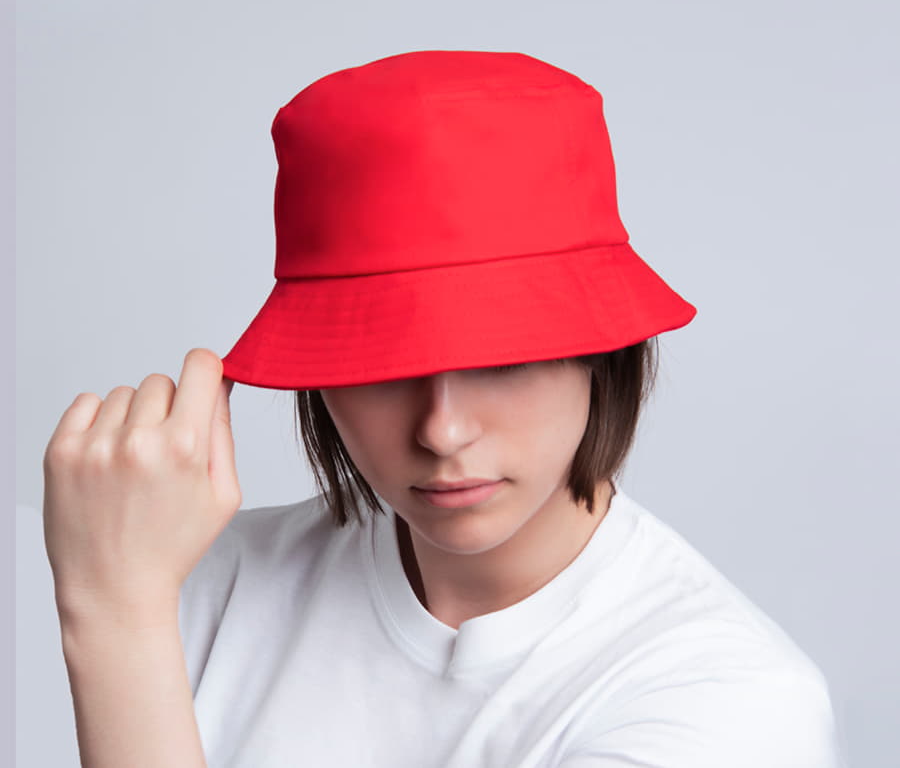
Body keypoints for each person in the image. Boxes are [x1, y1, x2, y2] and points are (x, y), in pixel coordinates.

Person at [43, 50, 846, 767]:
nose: (443, 430)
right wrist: (120, 608)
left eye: (503, 359)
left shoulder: (727, 702)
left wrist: (112, 619)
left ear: (605, 353)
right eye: (378, 360)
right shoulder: (191, 581)